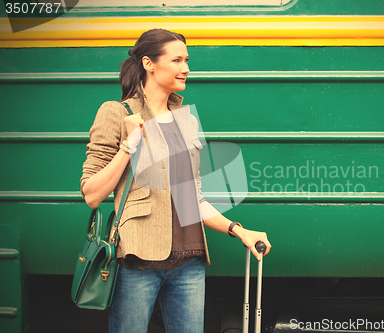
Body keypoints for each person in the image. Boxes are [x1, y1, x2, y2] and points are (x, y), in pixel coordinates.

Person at [80, 28, 271, 333]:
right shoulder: (117, 113)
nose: (186, 68)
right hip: (138, 262)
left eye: (187, 60)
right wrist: (128, 146)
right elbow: (91, 194)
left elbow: (190, 198)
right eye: (177, 59)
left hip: (189, 263)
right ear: (148, 63)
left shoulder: (185, 119)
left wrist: (238, 230)